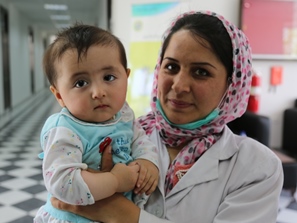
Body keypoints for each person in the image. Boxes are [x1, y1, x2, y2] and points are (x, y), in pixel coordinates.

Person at [51, 11, 284, 223]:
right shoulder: (126, 133)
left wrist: (124, 215)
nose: (179, 85)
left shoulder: (257, 167)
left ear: (231, 84)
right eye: (171, 67)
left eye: (201, 72)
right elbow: (63, 199)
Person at [34, 24, 159, 223]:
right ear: (59, 95)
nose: (98, 92)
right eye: (80, 83)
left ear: (126, 77)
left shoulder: (124, 116)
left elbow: (142, 143)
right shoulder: (65, 129)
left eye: (109, 77)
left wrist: (147, 163)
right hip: (73, 218)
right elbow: (62, 183)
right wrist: (115, 181)